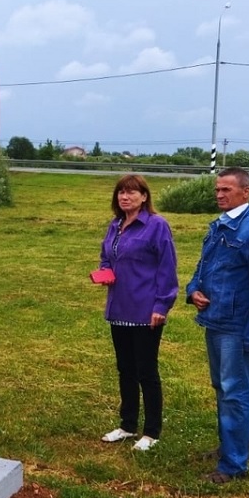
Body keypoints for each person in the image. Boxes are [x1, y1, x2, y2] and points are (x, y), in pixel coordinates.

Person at [185, 167, 249, 483]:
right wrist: (193, 290)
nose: (220, 195)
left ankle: (234, 465)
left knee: (235, 392)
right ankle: (229, 446)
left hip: (237, 327)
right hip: (215, 321)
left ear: (246, 192)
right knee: (222, 388)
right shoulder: (219, 226)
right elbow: (203, 266)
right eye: (217, 190)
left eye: (226, 190)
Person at [94, 174, 179, 452]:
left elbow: (167, 268)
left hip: (145, 310)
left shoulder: (157, 226)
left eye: (132, 192)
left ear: (144, 196)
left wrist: (161, 305)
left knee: (146, 371)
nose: (125, 196)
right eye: (121, 192)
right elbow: (107, 255)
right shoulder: (116, 225)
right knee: (125, 369)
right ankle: (128, 425)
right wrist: (105, 271)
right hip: (119, 307)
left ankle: (151, 431)